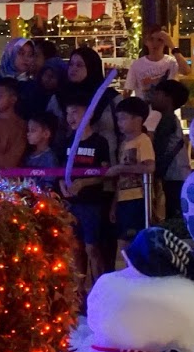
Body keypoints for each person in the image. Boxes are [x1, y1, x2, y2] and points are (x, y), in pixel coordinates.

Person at [62, 93, 113, 291]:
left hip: (91, 203)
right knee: (75, 247)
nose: (71, 117)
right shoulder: (67, 141)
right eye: (68, 113)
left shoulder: (99, 142)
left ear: (89, 114)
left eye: (75, 112)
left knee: (92, 247)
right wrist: (63, 186)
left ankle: (100, 288)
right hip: (72, 203)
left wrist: (84, 183)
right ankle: (79, 291)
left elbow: (105, 173)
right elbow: (60, 171)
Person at [51, 46, 117, 161]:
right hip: (70, 162)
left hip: (106, 163)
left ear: (91, 67)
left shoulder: (109, 97)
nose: (73, 69)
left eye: (79, 65)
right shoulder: (60, 96)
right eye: (71, 64)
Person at [109, 97, 157, 244]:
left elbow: (150, 167)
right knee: (123, 240)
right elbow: (120, 180)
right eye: (118, 119)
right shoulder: (124, 144)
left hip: (138, 198)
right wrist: (114, 205)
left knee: (132, 240)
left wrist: (121, 168)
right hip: (123, 199)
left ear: (138, 119)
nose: (119, 123)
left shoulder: (143, 140)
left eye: (123, 118)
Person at [148, 78, 192, 219]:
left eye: (157, 93)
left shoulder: (167, 120)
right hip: (179, 174)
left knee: (174, 214)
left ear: (167, 98)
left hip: (174, 175)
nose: (152, 97)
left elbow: (159, 148)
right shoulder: (171, 119)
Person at [126, 28, 186, 100]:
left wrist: (172, 46)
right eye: (151, 39)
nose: (155, 43)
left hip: (166, 106)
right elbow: (127, 91)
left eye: (159, 40)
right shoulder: (137, 65)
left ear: (165, 42)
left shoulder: (171, 62)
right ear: (146, 42)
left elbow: (186, 71)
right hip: (144, 105)